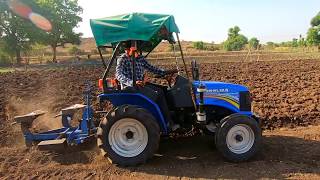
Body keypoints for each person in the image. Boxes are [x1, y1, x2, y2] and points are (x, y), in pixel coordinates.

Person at [115, 41, 177, 129]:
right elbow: (118, 75)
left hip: (141, 85)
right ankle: (167, 123)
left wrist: (166, 72)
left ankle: (170, 116)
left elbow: (151, 68)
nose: (129, 52)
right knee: (158, 94)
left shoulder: (140, 58)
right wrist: (132, 82)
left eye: (134, 50)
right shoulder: (123, 59)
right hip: (130, 87)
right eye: (128, 50)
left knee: (164, 90)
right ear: (128, 50)